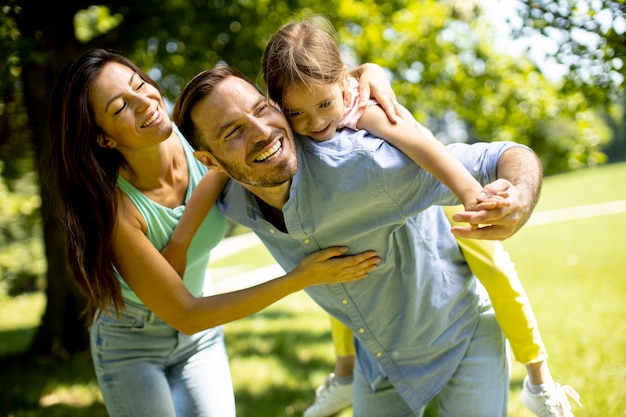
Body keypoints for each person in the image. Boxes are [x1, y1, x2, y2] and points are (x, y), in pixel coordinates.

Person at [173, 65, 544, 416]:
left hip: (460, 336)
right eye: (232, 132)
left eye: (262, 109)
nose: (261, 131)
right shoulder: (231, 198)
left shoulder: (367, 164)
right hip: (380, 362)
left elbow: (501, 156)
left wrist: (521, 197)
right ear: (210, 161)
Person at [259, 17, 581, 417]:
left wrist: (469, 193)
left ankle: (538, 377)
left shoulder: (361, 111)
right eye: (298, 114)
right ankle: (345, 374)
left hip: (438, 198)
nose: (316, 123)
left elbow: (420, 142)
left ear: (343, 83)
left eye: (324, 105)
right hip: (379, 312)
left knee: (494, 267)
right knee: (341, 266)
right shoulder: (286, 139)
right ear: (276, 107)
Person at [45, 48, 386, 417]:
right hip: (132, 344)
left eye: (139, 84)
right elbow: (187, 314)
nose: (144, 102)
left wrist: (367, 72)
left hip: (200, 340)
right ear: (104, 139)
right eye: (120, 107)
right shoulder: (115, 210)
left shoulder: (199, 137)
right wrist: (301, 278)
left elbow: (224, 163)